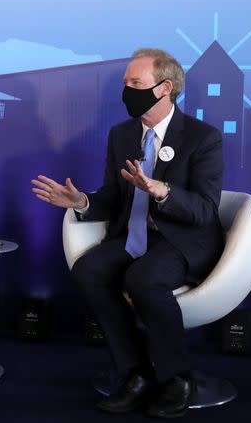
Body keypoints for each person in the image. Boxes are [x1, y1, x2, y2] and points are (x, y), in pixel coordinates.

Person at [31, 48, 224, 418]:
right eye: (125, 84)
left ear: (164, 87)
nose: (126, 92)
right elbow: (112, 198)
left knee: (143, 278)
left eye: (135, 84)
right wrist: (81, 201)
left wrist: (161, 191)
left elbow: (205, 210)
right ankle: (134, 373)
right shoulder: (121, 135)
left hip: (181, 242)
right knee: (89, 269)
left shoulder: (203, 138)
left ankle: (176, 378)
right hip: (134, 236)